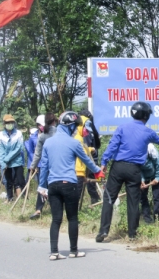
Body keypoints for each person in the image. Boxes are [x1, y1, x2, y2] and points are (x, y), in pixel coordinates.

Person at [96, 101, 159, 242]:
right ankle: (132, 234)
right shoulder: (148, 132)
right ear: (146, 116)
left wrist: (104, 162)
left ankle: (103, 231)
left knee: (109, 198)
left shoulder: (122, 128)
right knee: (133, 201)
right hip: (135, 170)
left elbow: (112, 146)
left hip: (118, 167)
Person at [38, 111, 104, 260]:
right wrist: (97, 171)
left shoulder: (48, 142)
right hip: (69, 184)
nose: (76, 129)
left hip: (53, 185)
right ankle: (74, 251)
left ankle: (54, 252)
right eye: (75, 126)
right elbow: (87, 160)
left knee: (56, 219)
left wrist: (42, 186)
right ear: (69, 126)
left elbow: (44, 167)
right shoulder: (74, 142)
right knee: (72, 218)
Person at [29, 113, 57, 220]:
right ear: (54, 121)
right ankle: (54, 208)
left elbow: (37, 154)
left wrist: (32, 166)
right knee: (54, 186)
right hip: (56, 166)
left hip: (44, 166)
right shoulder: (60, 133)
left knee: (43, 187)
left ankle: (38, 209)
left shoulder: (42, 136)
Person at [0, 114, 26, 203]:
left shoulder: (18, 133)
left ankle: (24, 199)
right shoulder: (1, 135)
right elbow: (0, 150)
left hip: (17, 161)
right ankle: (9, 198)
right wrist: (3, 162)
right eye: (8, 122)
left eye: (11, 122)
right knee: (8, 181)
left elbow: (19, 148)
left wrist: (7, 158)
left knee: (20, 181)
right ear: (4, 124)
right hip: (5, 162)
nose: (10, 124)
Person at [74, 113, 100, 205]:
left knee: (88, 185)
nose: (86, 131)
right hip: (78, 169)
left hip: (82, 167)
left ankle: (95, 200)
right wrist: (96, 169)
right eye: (85, 128)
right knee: (77, 192)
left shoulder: (80, 137)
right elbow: (82, 153)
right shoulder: (77, 138)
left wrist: (90, 149)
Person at [140, 143, 159, 223]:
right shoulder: (133, 150)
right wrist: (142, 180)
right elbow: (137, 168)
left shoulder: (150, 147)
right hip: (144, 175)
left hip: (155, 174)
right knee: (142, 197)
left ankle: (157, 218)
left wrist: (157, 178)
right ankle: (147, 219)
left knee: (156, 196)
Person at [25, 115, 44, 185]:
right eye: (41, 125)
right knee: (41, 184)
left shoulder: (49, 135)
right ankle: (40, 196)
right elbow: (30, 152)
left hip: (48, 163)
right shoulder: (33, 137)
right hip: (39, 164)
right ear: (38, 125)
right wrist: (35, 164)